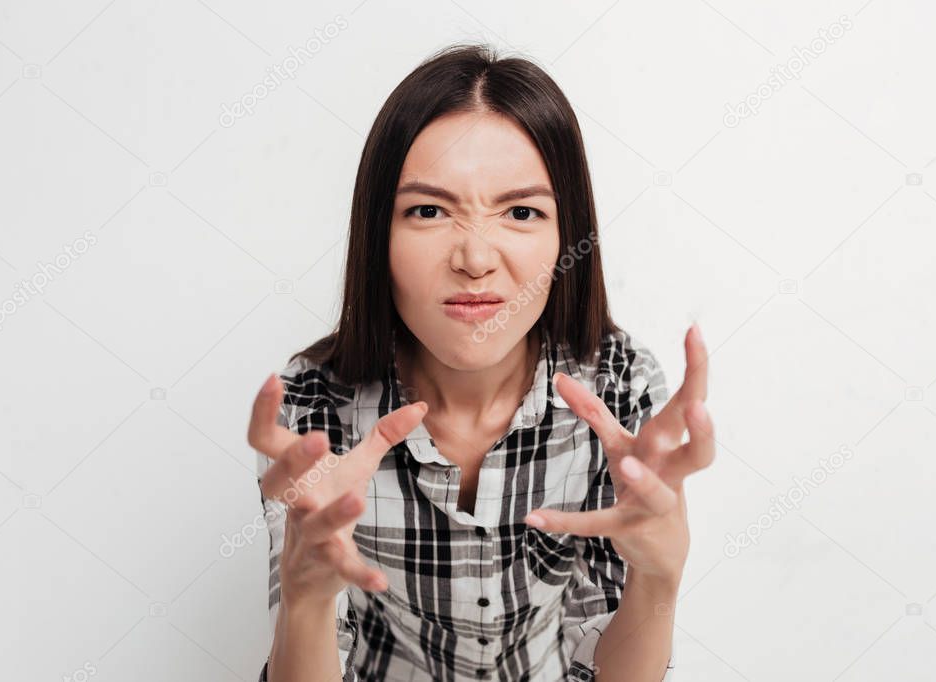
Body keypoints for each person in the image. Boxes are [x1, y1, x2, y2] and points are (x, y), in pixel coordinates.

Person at [250, 42, 714, 682]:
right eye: (428, 211)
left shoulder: (619, 385)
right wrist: (304, 598)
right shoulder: (310, 408)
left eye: (521, 212)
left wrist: (661, 578)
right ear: (376, 235)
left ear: (566, 234)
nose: (474, 259)